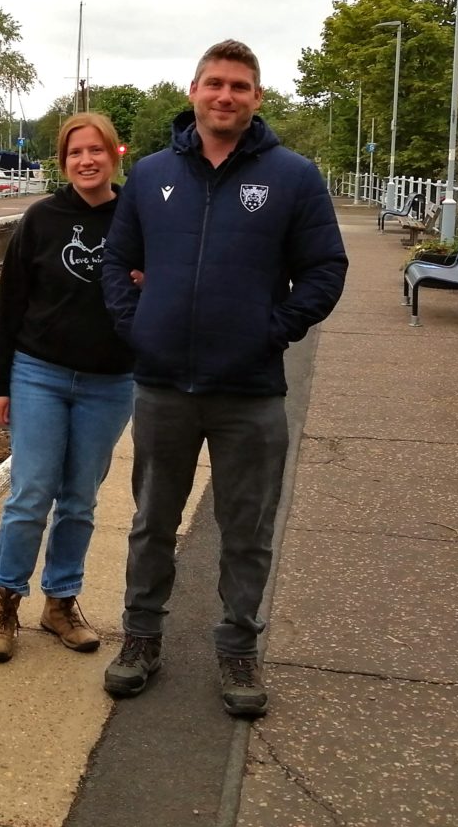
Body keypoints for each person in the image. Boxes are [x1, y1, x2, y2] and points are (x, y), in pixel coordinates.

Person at [100, 40, 347, 715]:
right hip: (162, 389)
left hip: (250, 392)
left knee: (248, 529)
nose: (226, 96)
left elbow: (326, 268)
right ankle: (142, 638)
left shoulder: (294, 177)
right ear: (194, 92)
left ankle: (238, 647)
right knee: (152, 521)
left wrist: (273, 329)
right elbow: (117, 263)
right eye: (215, 84)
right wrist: (138, 326)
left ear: (257, 98)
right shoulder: (151, 176)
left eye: (240, 86)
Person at [0, 112, 136, 663]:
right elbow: (9, 303)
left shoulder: (137, 219)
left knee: (79, 500)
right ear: (63, 162)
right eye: (75, 153)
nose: (86, 160)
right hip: (38, 372)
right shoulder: (41, 218)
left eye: (96, 150)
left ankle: (61, 603)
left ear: (115, 154)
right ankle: (5, 605)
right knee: (30, 493)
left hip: (111, 381)